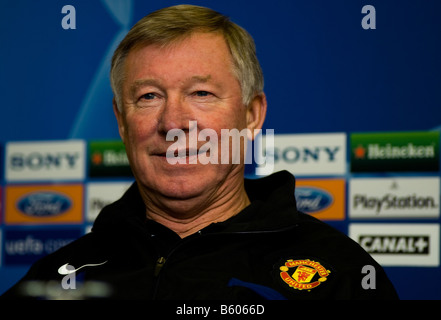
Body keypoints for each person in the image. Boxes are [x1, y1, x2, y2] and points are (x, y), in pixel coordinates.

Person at [1, 4, 397, 300]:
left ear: (252, 114)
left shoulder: (342, 274)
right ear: (122, 122)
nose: (173, 122)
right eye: (149, 96)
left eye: (201, 93)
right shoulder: (55, 279)